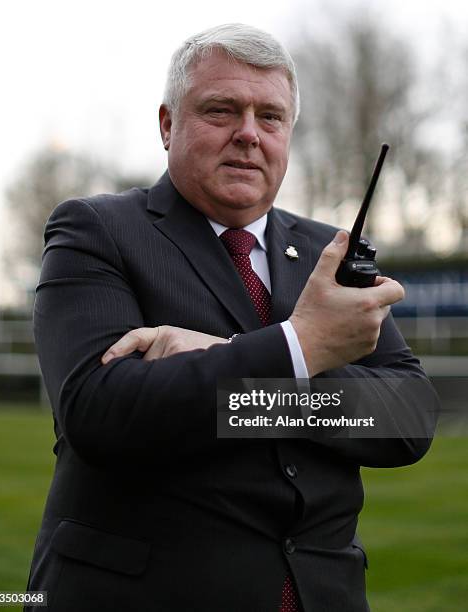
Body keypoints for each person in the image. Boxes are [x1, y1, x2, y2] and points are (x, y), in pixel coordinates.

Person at [26, 23, 437, 612]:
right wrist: (299, 350)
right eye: (221, 110)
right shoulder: (97, 229)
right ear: (168, 124)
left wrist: (231, 354)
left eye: (270, 117)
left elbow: (408, 417)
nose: (249, 134)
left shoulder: (331, 254)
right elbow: (100, 411)